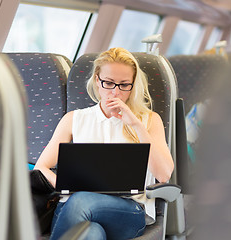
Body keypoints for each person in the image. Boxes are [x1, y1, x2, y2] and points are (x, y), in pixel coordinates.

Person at [34, 47, 174, 240]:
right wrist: (67, 185)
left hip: (126, 211)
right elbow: (42, 167)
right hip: (72, 208)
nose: (115, 92)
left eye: (124, 85)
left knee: (81, 201)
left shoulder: (149, 120)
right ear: (96, 81)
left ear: (133, 86)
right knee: (91, 233)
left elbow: (164, 174)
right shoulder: (74, 119)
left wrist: (135, 123)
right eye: (108, 83)